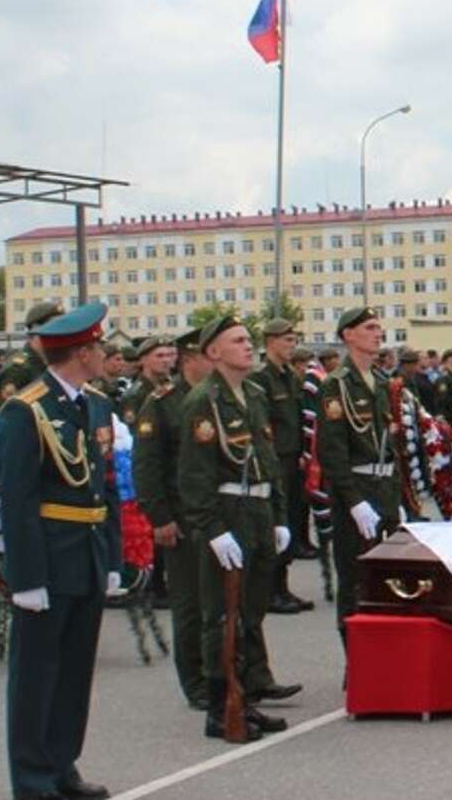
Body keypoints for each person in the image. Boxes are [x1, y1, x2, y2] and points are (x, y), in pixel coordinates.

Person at [0, 302, 119, 800]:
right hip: (48, 557)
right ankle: (31, 779)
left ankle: (62, 764)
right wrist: (24, 579)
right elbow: (17, 498)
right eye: (100, 346)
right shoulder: (25, 410)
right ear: (83, 353)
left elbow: (104, 486)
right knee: (35, 676)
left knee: (73, 672)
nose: (105, 354)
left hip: (86, 554)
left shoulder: (92, 404)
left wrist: (112, 559)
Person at [176, 315, 296, 741]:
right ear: (213, 352)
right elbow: (194, 477)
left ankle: (245, 698)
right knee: (222, 616)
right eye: (239, 341)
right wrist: (212, 529)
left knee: (250, 614)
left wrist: (280, 516)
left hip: (260, 510)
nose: (249, 347)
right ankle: (221, 706)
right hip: (228, 512)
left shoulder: (255, 394)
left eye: (249, 340)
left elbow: (270, 459)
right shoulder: (202, 403)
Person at [132, 327, 212, 710]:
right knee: (190, 603)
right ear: (190, 358)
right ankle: (195, 681)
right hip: (181, 515)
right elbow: (147, 466)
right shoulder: (162, 402)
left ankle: (227, 673)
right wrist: (159, 516)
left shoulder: (217, 396)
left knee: (221, 601)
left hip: (216, 513)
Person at [317, 308, 404, 628]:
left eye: (379, 327)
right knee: (355, 582)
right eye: (369, 327)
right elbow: (332, 452)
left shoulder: (381, 382)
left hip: (384, 488)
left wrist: (398, 499)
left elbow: (389, 444)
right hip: (357, 491)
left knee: (387, 580)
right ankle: (354, 665)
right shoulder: (336, 386)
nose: (378, 333)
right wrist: (354, 502)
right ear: (348, 335)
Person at [246, 318, 314, 616]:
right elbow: (262, 425)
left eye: (293, 340)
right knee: (276, 521)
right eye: (287, 340)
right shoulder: (261, 379)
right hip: (275, 460)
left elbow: (297, 419)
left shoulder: (290, 376)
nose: (292, 346)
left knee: (292, 518)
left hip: (294, 458)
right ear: (271, 341)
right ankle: (270, 591)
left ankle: (282, 586)